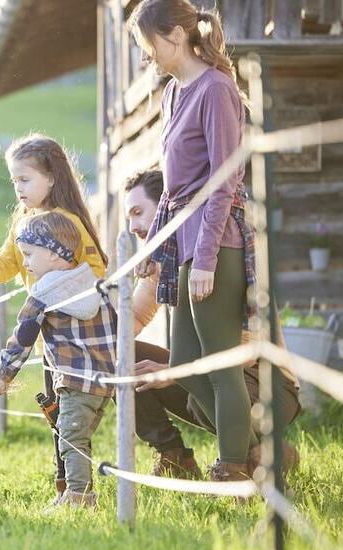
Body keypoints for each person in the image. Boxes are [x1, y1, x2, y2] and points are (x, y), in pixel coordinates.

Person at [129, 0, 259, 481]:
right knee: (184, 363)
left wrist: (205, 259)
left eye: (149, 45)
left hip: (216, 244)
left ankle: (233, 466)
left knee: (220, 363)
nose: (148, 56)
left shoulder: (217, 89)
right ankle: (257, 447)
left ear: (176, 36)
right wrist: (155, 247)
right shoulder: (174, 94)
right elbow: (173, 188)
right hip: (183, 242)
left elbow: (224, 182)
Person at [0, 133, 109, 503]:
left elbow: (95, 272)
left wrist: (54, 290)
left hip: (78, 337)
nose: (18, 187)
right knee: (58, 415)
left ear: (52, 177)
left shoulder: (68, 223)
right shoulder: (23, 222)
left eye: (25, 179)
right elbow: (2, 267)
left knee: (71, 417)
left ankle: (78, 490)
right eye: (14, 180)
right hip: (47, 339)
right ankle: (66, 487)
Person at [124, 169, 301, 478]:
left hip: (266, 386)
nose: (133, 226)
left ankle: (261, 458)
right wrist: (91, 333)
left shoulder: (226, 254)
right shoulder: (164, 264)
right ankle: (174, 456)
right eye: (129, 217)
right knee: (121, 354)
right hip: (205, 376)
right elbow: (135, 318)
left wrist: (175, 371)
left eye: (139, 213)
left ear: (169, 208)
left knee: (209, 382)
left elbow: (246, 348)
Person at [0, 212, 116, 509]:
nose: (25, 262)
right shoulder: (92, 282)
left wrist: (2, 376)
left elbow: (23, 338)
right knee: (77, 436)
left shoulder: (43, 291)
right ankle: (77, 493)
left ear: (55, 255)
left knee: (69, 439)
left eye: (29, 254)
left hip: (73, 380)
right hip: (105, 380)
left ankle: (80, 498)